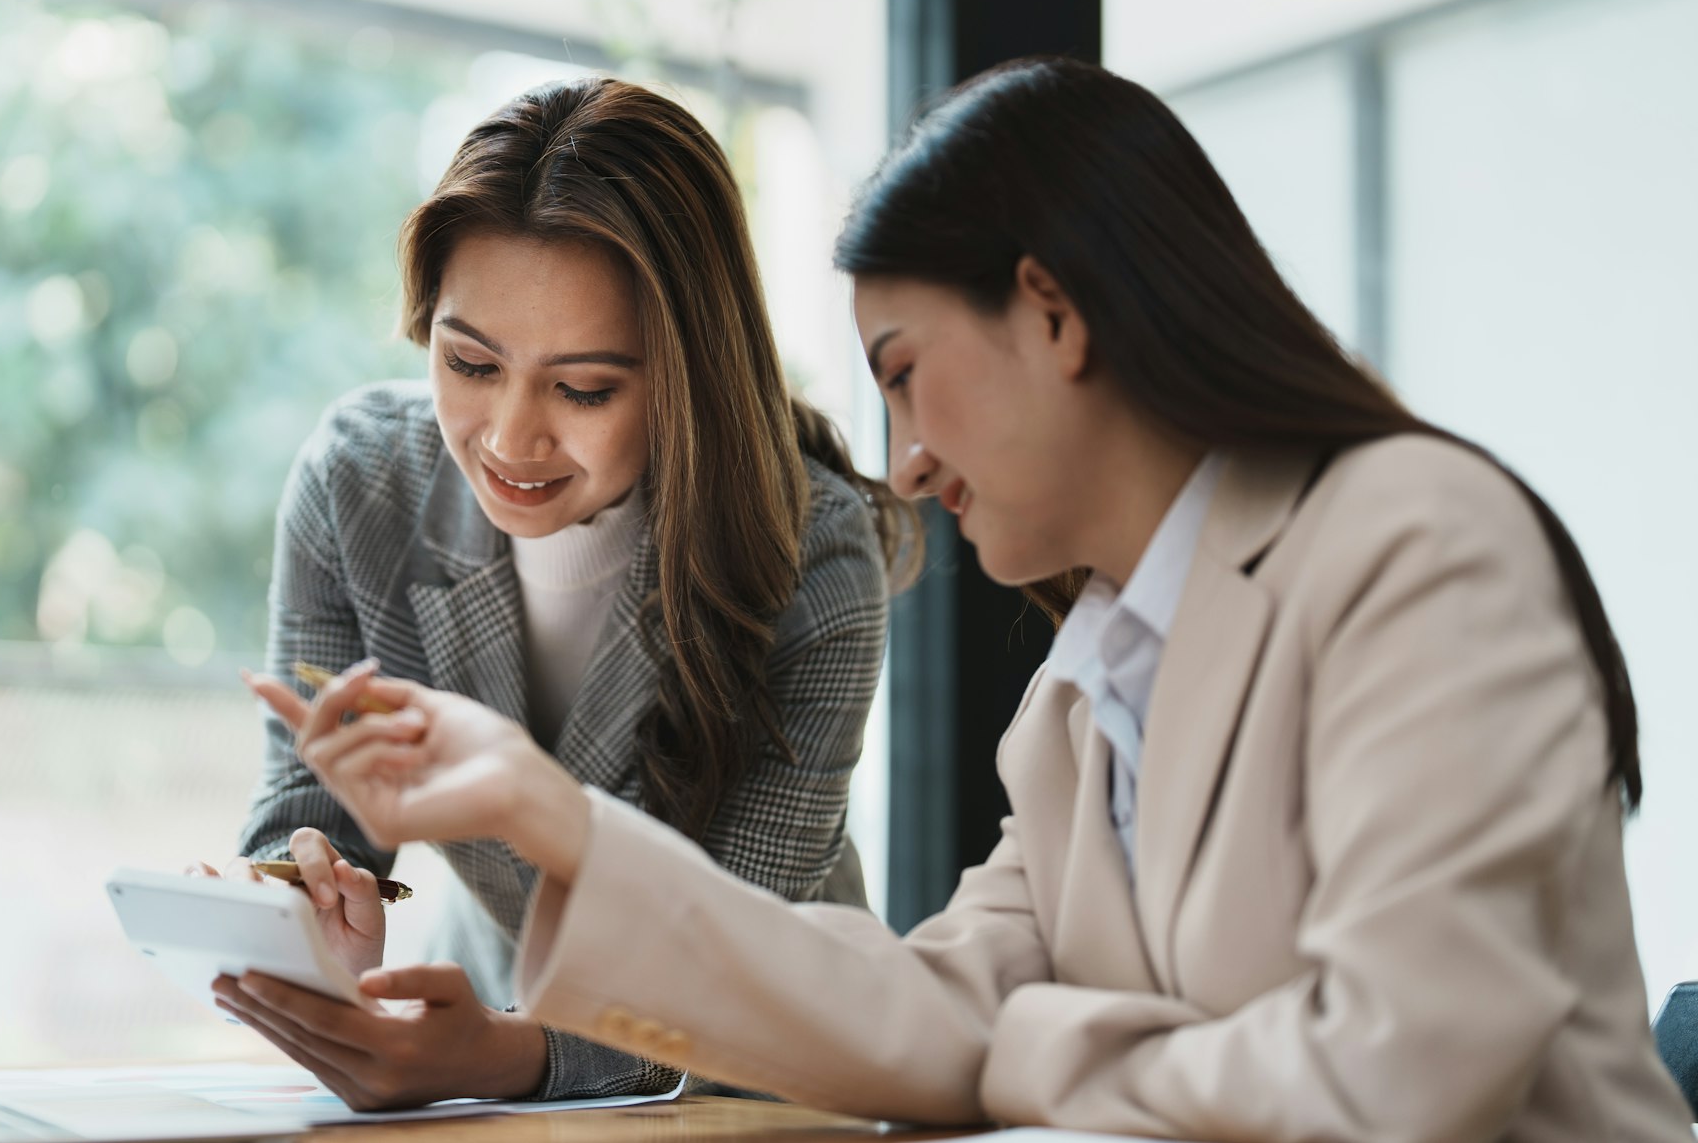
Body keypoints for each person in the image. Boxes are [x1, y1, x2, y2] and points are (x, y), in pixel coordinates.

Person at [250, 57, 1694, 1139]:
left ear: (1051, 316)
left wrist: (1035, 1054)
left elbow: (1399, 1075)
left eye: (903, 374)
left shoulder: (1417, 541)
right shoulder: (1089, 681)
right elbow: (927, 1006)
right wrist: (546, 817)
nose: (906, 461)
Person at [200, 77, 911, 1110]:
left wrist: (513, 1054)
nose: (508, 438)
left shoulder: (809, 556)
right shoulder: (360, 487)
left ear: (687, 373)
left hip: (757, 1074)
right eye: (469, 362)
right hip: (478, 1024)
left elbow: (738, 964)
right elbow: (311, 806)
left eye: (582, 388)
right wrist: (307, 896)